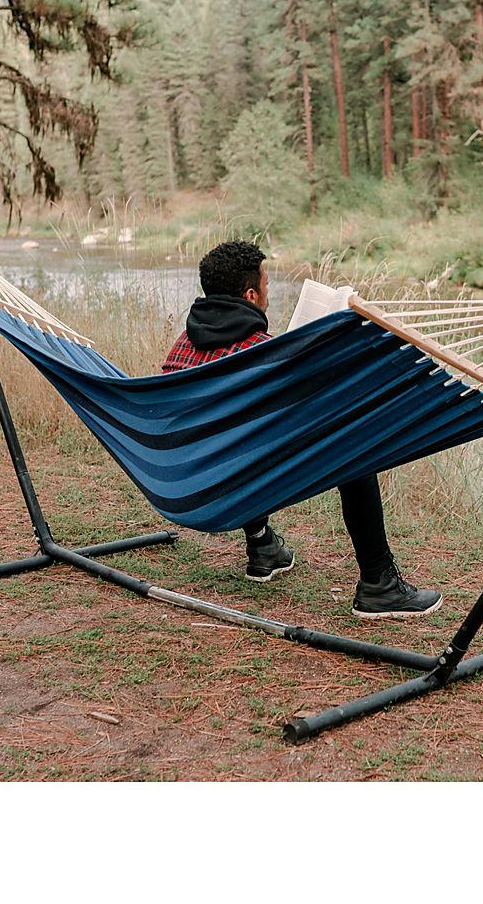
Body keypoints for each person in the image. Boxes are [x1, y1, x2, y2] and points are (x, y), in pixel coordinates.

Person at [162, 240, 442, 620]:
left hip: (189, 483)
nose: (269, 292)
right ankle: (379, 584)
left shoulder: (180, 349)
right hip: (239, 484)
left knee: (239, 437)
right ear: (250, 295)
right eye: (266, 284)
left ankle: (262, 546)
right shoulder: (262, 355)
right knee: (355, 450)